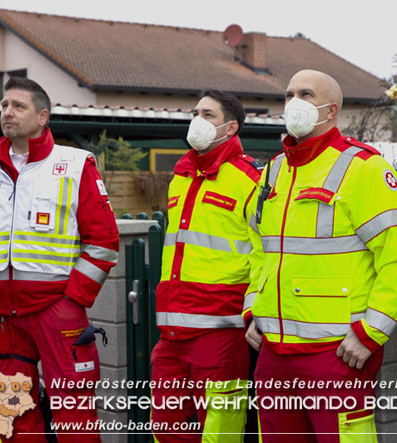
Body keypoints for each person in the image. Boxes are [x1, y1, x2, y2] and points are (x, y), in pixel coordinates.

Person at [243, 69, 397, 442]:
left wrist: (371, 333)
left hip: (337, 352)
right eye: (288, 95)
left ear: (330, 110)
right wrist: (253, 311)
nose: (293, 103)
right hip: (274, 352)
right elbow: (259, 248)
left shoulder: (364, 169)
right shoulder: (274, 170)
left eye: (305, 94)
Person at [0, 77, 119, 442]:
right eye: (4, 105)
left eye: (18, 106)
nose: (7, 112)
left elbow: (103, 243)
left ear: (43, 116)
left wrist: (73, 300)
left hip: (58, 310)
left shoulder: (74, 164)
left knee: (75, 414)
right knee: (10, 416)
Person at [150, 90, 261, 442]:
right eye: (195, 112)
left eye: (208, 114)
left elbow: (263, 253)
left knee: (220, 432)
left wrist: (255, 310)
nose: (197, 120)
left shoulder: (250, 180)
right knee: (166, 429)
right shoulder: (180, 176)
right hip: (170, 331)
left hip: (221, 331)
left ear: (230, 127)